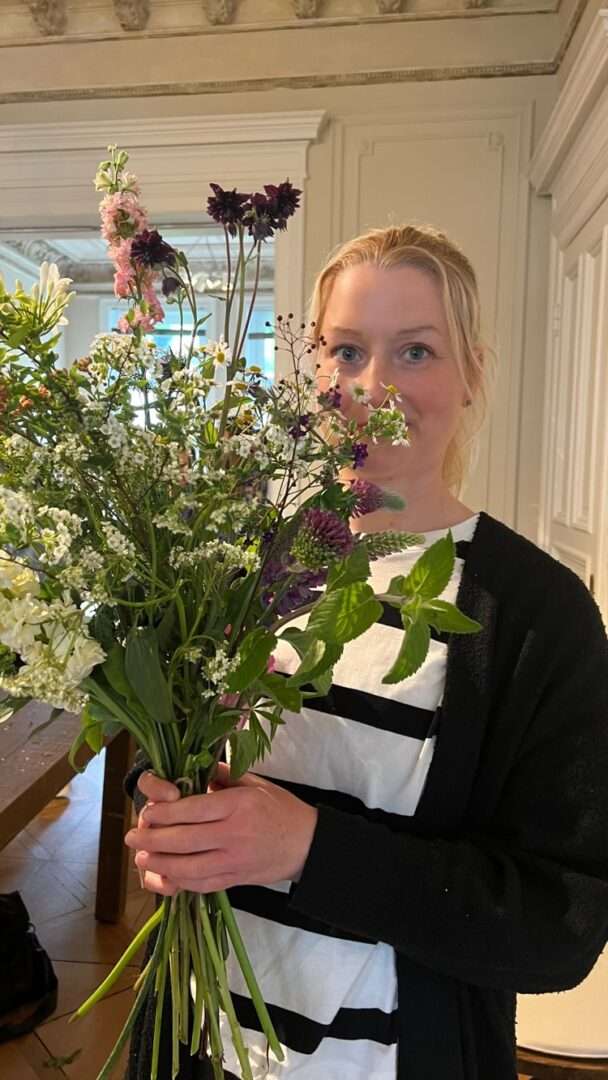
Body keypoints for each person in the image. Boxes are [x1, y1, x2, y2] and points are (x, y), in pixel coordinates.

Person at [123, 225, 608, 1080]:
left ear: (471, 376)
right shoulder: (238, 563)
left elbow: (557, 926)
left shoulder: (538, 616)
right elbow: (181, 742)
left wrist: (312, 849)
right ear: (315, 374)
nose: (375, 385)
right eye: (347, 351)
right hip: (200, 1044)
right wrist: (166, 806)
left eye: (415, 351)